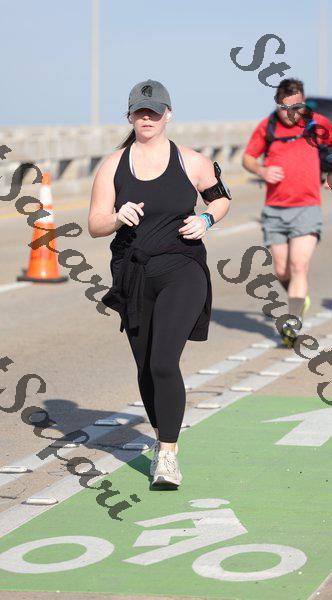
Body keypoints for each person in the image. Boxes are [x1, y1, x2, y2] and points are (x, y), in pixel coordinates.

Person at [88, 79, 231, 487]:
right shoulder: (114, 165)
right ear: (129, 116)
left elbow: (220, 198)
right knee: (146, 369)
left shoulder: (191, 161)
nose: (146, 118)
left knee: (164, 361)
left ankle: (167, 455)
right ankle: (160, 435)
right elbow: (95, 224)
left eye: (154, 111)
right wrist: (117, 217)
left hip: (182, 270)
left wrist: (206, 219)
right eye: (140, 111)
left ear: (168, 114)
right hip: (133, 274)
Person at [242, 78, 332, 346]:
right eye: (285, 107)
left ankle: (292, 322)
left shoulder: (315, 123)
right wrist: (262, 170)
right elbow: (248, 158)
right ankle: (299, 299)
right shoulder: (267, 126)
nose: (291, 113)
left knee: (298, 265)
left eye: (297, 107)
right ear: (277, 105)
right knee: (281, 270)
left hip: (307, 207)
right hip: (275, 210)